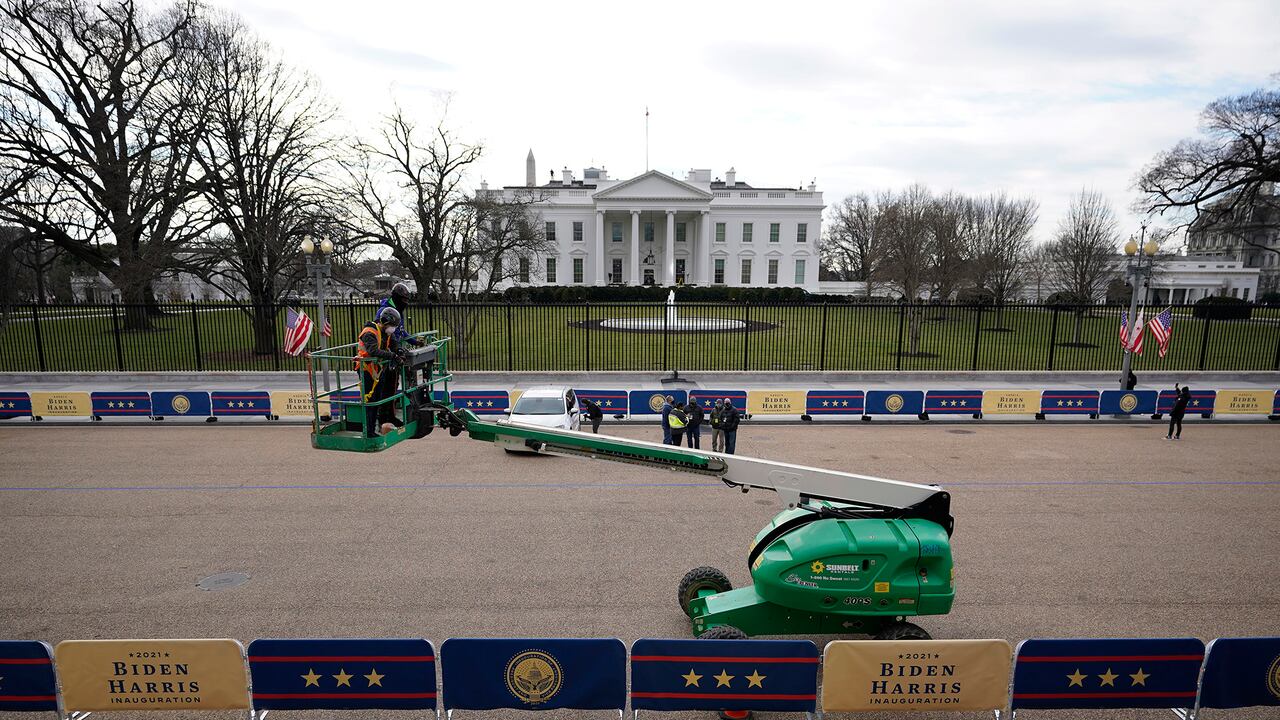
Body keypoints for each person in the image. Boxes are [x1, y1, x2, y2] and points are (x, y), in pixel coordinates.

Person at [375, 283, 425, 424]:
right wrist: (394, 351)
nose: (406, 303)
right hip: (384, 358)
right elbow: (386, 336)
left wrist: (415, 342)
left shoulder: (397, 310)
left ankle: (388, 416)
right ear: (397, 297)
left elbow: (401, 332)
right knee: (385, 389)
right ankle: (383, 419)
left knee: (392, 387)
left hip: (393, 356)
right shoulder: (385, 311)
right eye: (404, 300)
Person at [354, 306, 405, 438]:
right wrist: (393, 356)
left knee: (378, 399)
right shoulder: (369, 333)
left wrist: (398, 351)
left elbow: (393, 344)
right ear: (385, 322)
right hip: (366, 370)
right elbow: (373, 351)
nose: (392, 329)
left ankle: (374, 427)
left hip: (377, 370)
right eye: (392, 326)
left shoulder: (384, 332)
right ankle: (369, 432)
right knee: (371, 401)